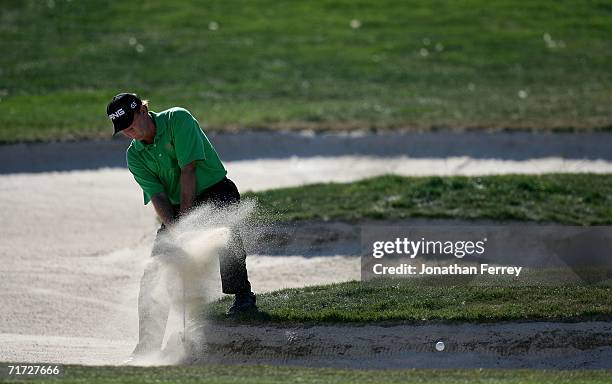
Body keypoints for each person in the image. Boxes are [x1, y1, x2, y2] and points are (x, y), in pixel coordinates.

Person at [106, 93, 256, 359]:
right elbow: (158, 197)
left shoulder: (178, 119)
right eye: (124, 130)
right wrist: (176, 230)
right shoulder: (135, 156)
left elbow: (189, 171)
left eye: (131, 124)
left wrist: (187, 223)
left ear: (143, 110)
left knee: (227, 236)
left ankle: (243, 299)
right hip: (175, 207)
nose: (130, 133)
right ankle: (148, 345)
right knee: (156, 269)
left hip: (214, 190)